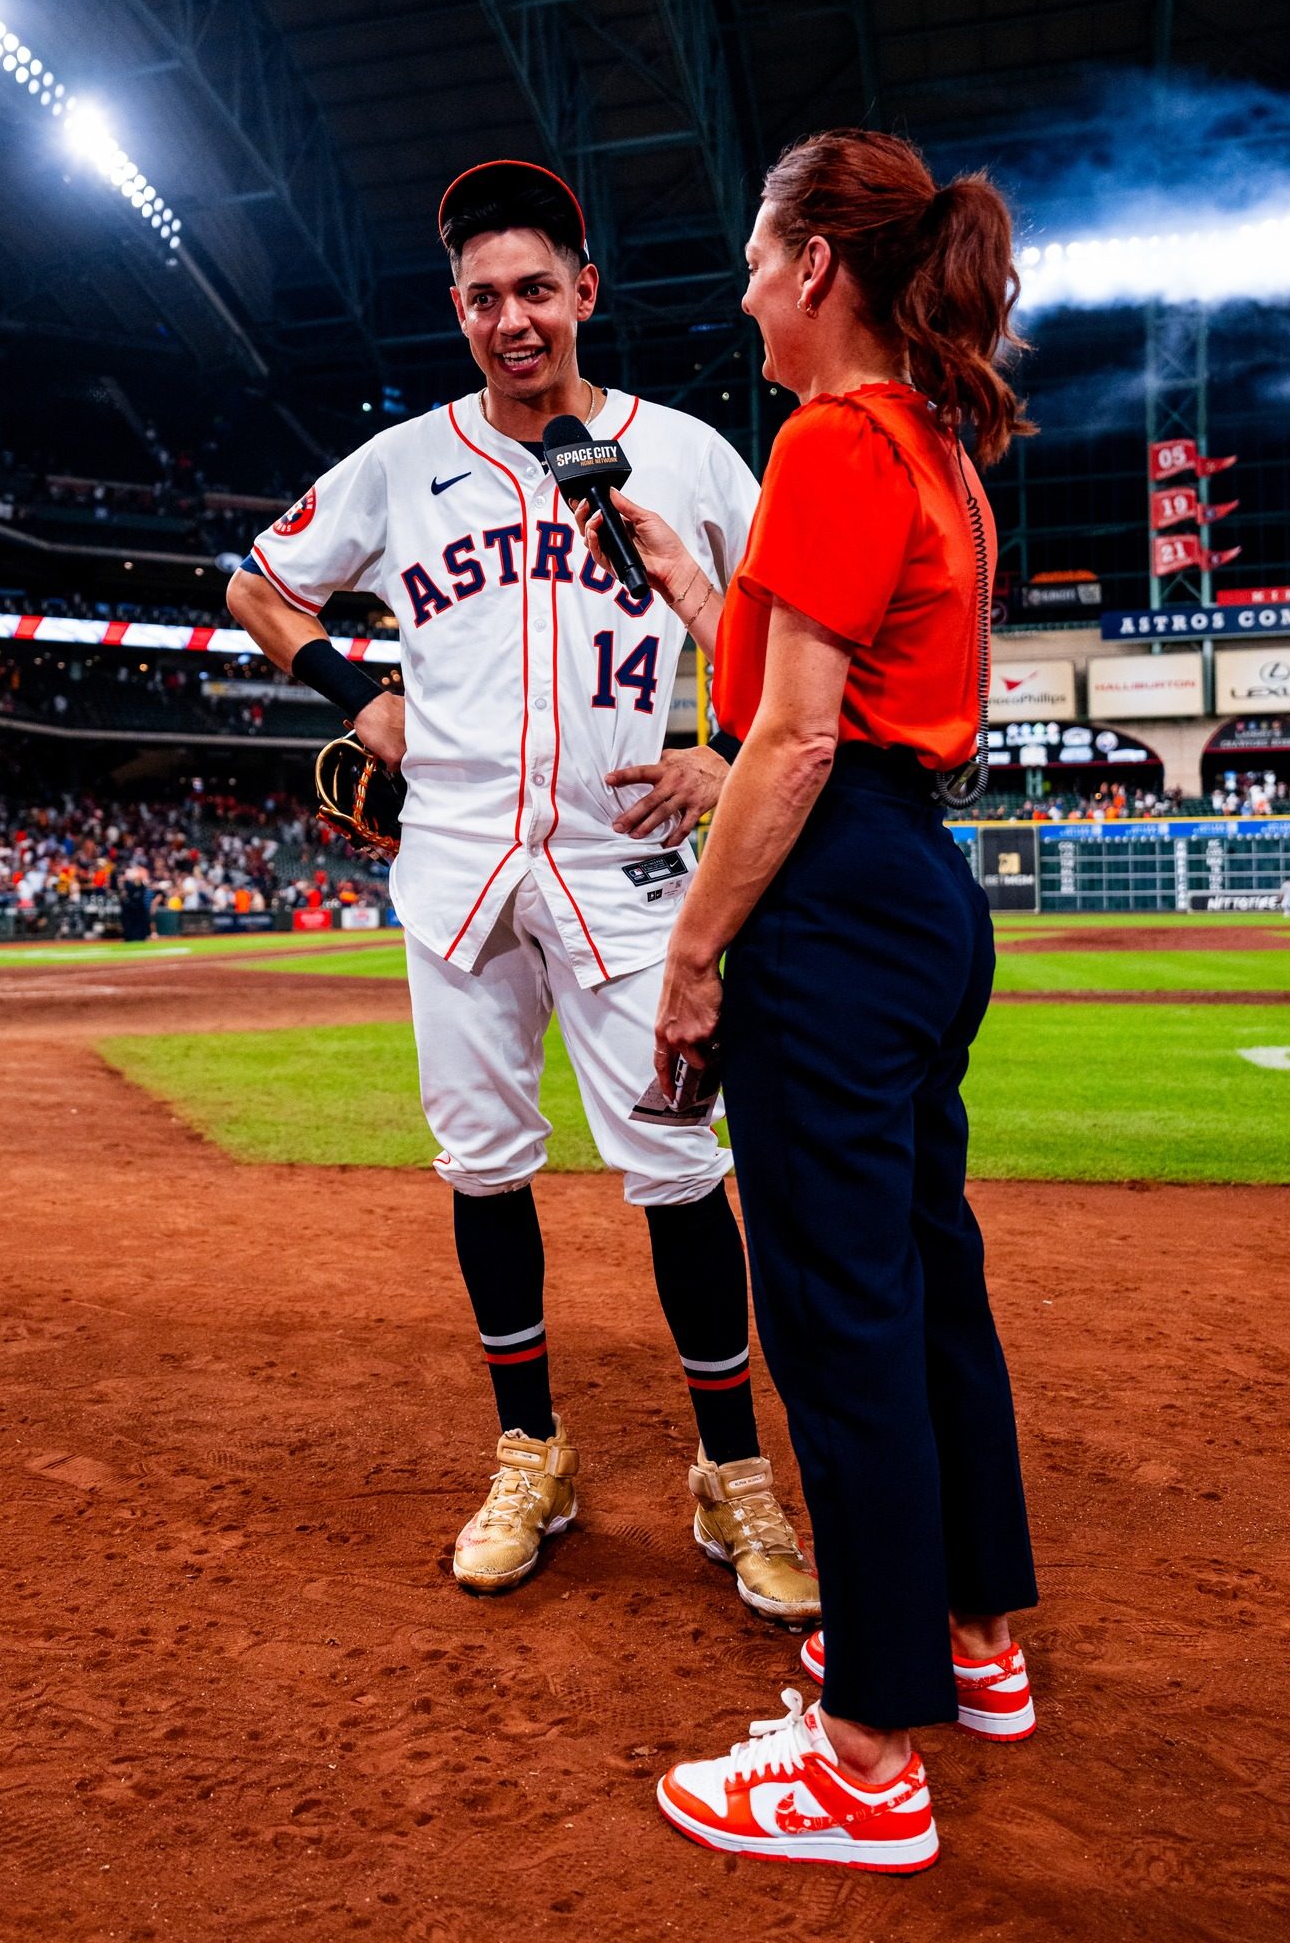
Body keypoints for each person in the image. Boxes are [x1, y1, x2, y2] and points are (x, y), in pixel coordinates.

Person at [226, 159, 818, 1624]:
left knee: (682, 1172)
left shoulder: (682, 455)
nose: (512, 319)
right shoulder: (400, 463)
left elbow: (795, 627)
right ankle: (530, 1453)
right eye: (484, 296)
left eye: (536, 290)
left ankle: (728, 1474)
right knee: (482, 1164)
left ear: (583, 294)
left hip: (628, 873)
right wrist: (350, 690)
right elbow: (256, 581)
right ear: (459, 309)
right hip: (457, 867)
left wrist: (729, 754)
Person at [576, 128, 1039, 1870]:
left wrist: (693, 957)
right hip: (911, 888)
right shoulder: (927, 446)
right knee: (926, 1287)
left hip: (832, 912)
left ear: (817, 267)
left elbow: (788, 739)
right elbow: (822, 688)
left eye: (765, 256)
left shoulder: (832, 437)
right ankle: (967, 1644)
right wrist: (700, 586)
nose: (749, 285)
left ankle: (863, 1760)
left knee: (840, 1320)